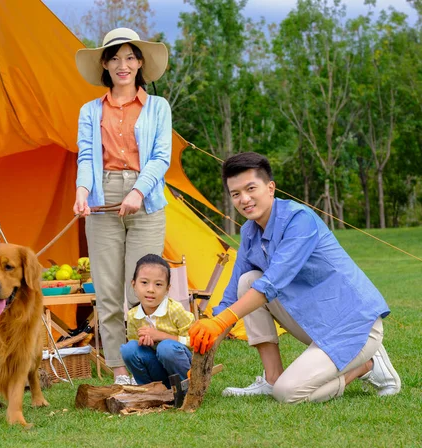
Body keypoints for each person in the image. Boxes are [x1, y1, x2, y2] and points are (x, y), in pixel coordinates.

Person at [189, 152, 401, 403]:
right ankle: (272, 378)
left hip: (355, 325)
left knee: (288, 394)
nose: (244, 199)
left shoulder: (299, 220)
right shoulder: (249, 232)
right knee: (247, 281)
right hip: (315, 323)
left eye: (250, 188)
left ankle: (367, 364)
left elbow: (272, 283)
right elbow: (233, 292)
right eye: (235, 194)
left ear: (270, 188)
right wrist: (207, 342)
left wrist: (221, 322)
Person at [73, 28, 172, 384]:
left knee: (142, 288)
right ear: (104, 64)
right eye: (115, 57)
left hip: (146, 199)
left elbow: (161, 157)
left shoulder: (158, 107)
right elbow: (87, 155)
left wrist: (139, 192)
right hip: (103, 199)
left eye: (130, 57)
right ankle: (118, 369)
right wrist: (83, 190)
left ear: (140, 62)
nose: (123, 64)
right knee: (108, 290)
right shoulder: (89, 111)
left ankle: (143, 361)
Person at [120, 254, 195, 387]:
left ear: (167, 289)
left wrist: (161, 336)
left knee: (166, 348)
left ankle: (185, 389)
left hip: (181, 367)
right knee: (129, 348)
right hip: (156, 369)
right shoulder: (133, 315)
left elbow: (194, 342)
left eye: (158, 284)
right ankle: (149, 389)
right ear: (134, 285)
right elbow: (135, 347)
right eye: (144, 283)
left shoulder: (174, 309)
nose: (150, 289)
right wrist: (145, 343)